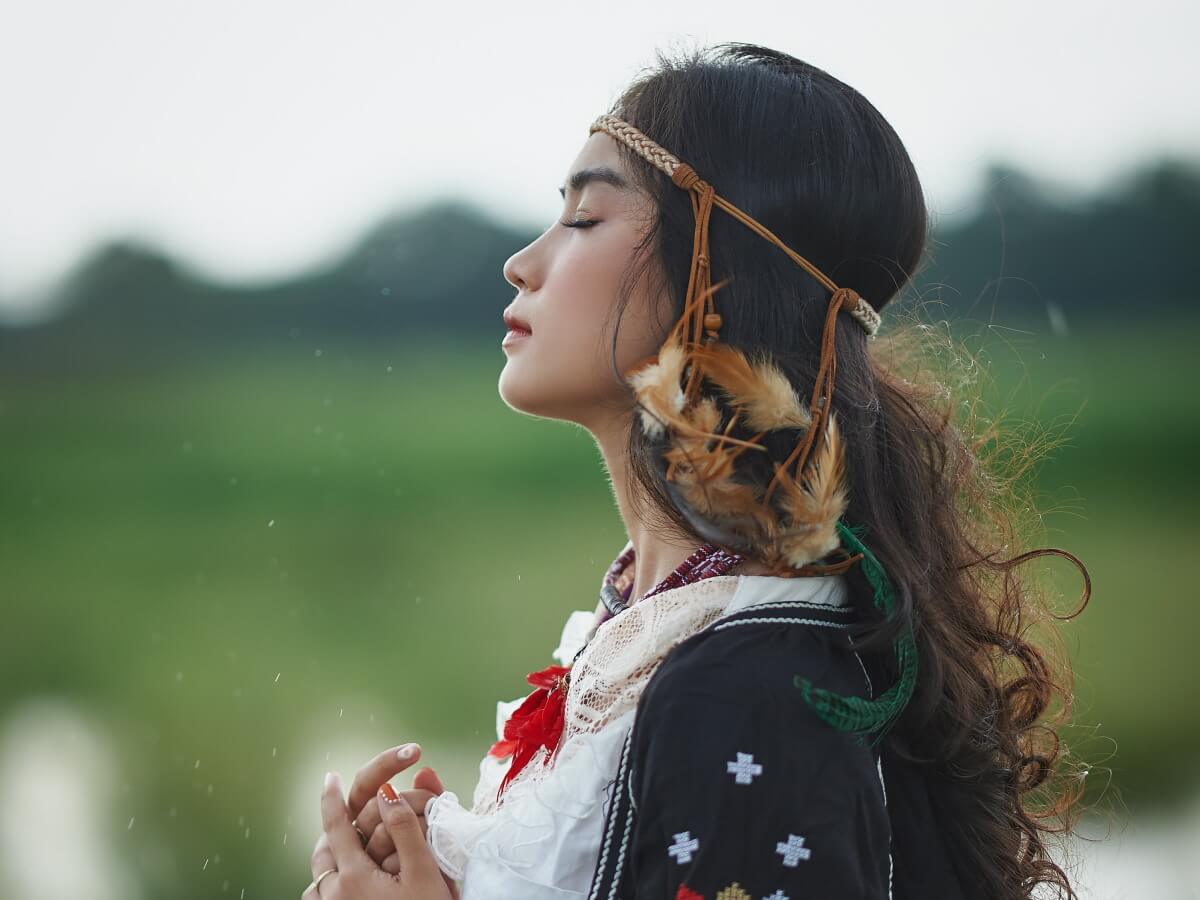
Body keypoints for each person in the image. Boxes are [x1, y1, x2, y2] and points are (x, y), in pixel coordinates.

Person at [304, 41, 1091, 900]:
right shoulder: (674, 635)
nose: (522, 262)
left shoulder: (745, 688)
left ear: (713, 275)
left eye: (583, 219)